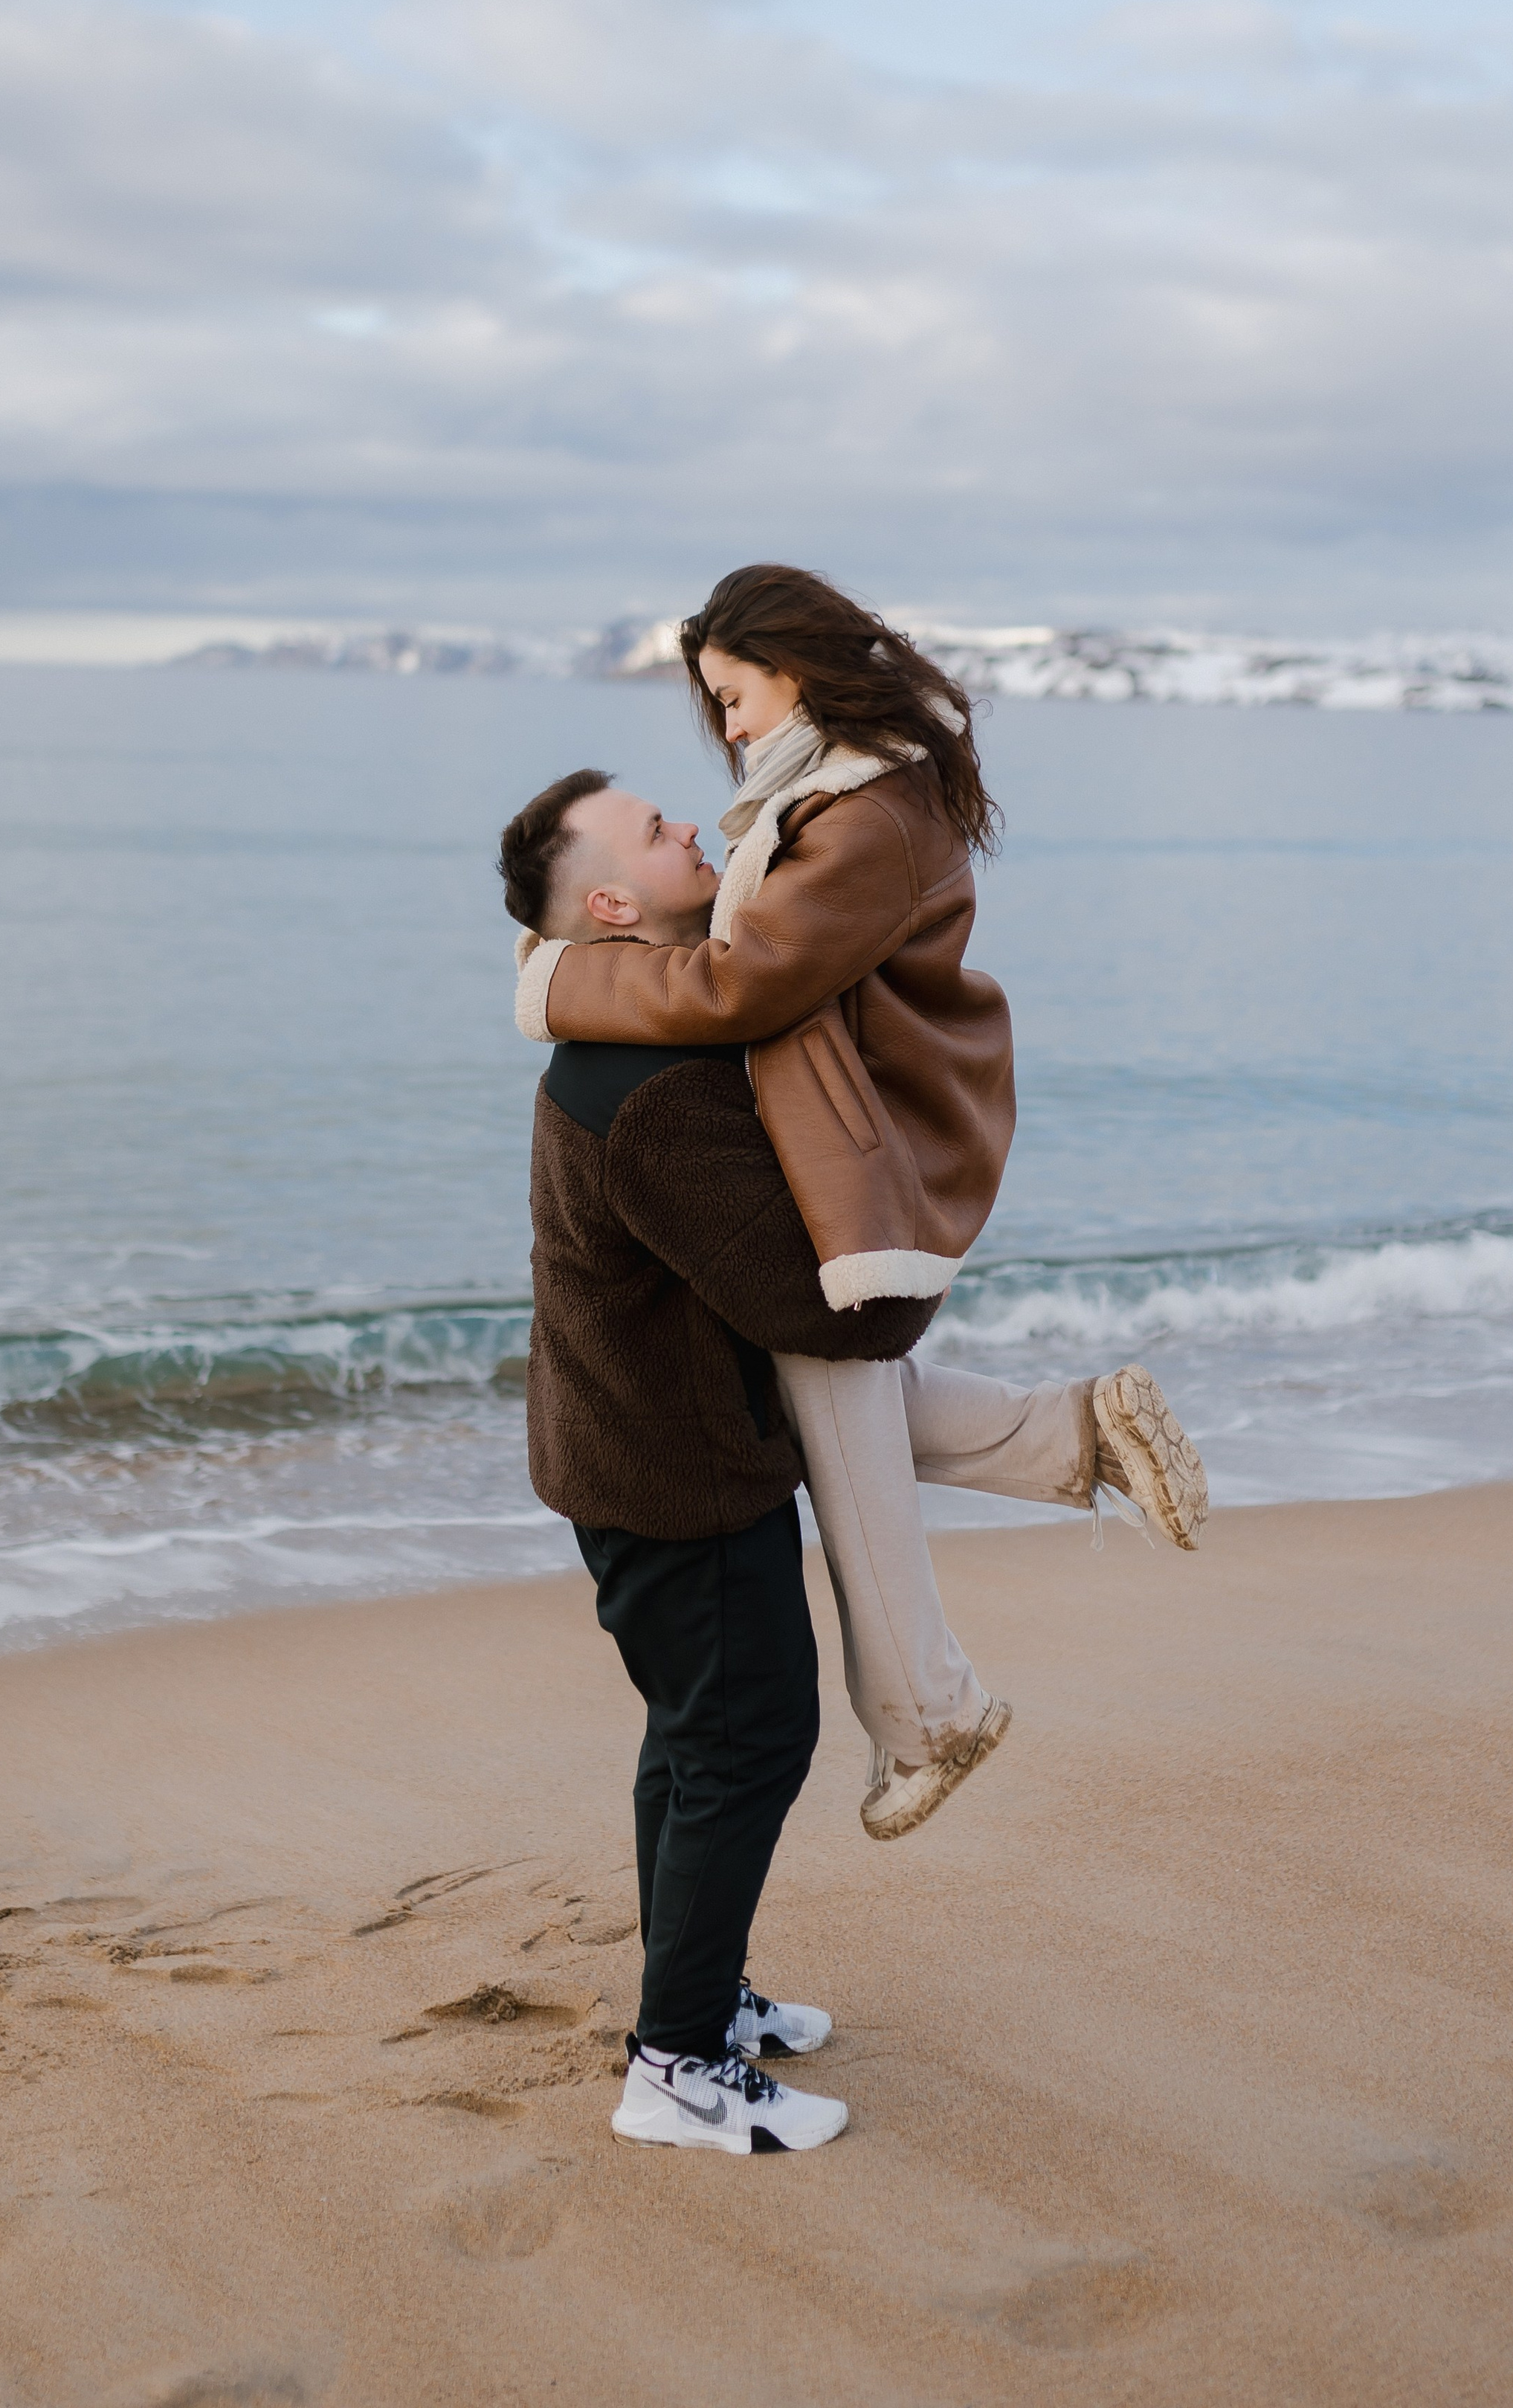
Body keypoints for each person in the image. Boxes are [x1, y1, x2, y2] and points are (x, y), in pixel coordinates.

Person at [512, 567, 1209, 1840]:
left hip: (859, 1136)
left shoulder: (863, 809)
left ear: (796, 670)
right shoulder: (833, 789)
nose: (723, 730)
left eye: (732, 698)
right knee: (816, 1387)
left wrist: (560, 984)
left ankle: (935, 1712)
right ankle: (1062, 1451)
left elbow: (740, 989)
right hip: (833, 1121)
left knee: (825, 1380)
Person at [498, 768, 941, 2156]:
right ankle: (678, 2070)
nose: (694, 823)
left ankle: (696, 2001)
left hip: (635, 1454)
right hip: (674, 1475)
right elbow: (806, 1301)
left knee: (695, 1744)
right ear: (617, 904)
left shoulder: (623, 1039)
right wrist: (914, 1273)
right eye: (654, 829)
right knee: (750, 1744)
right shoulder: (648, 1083)